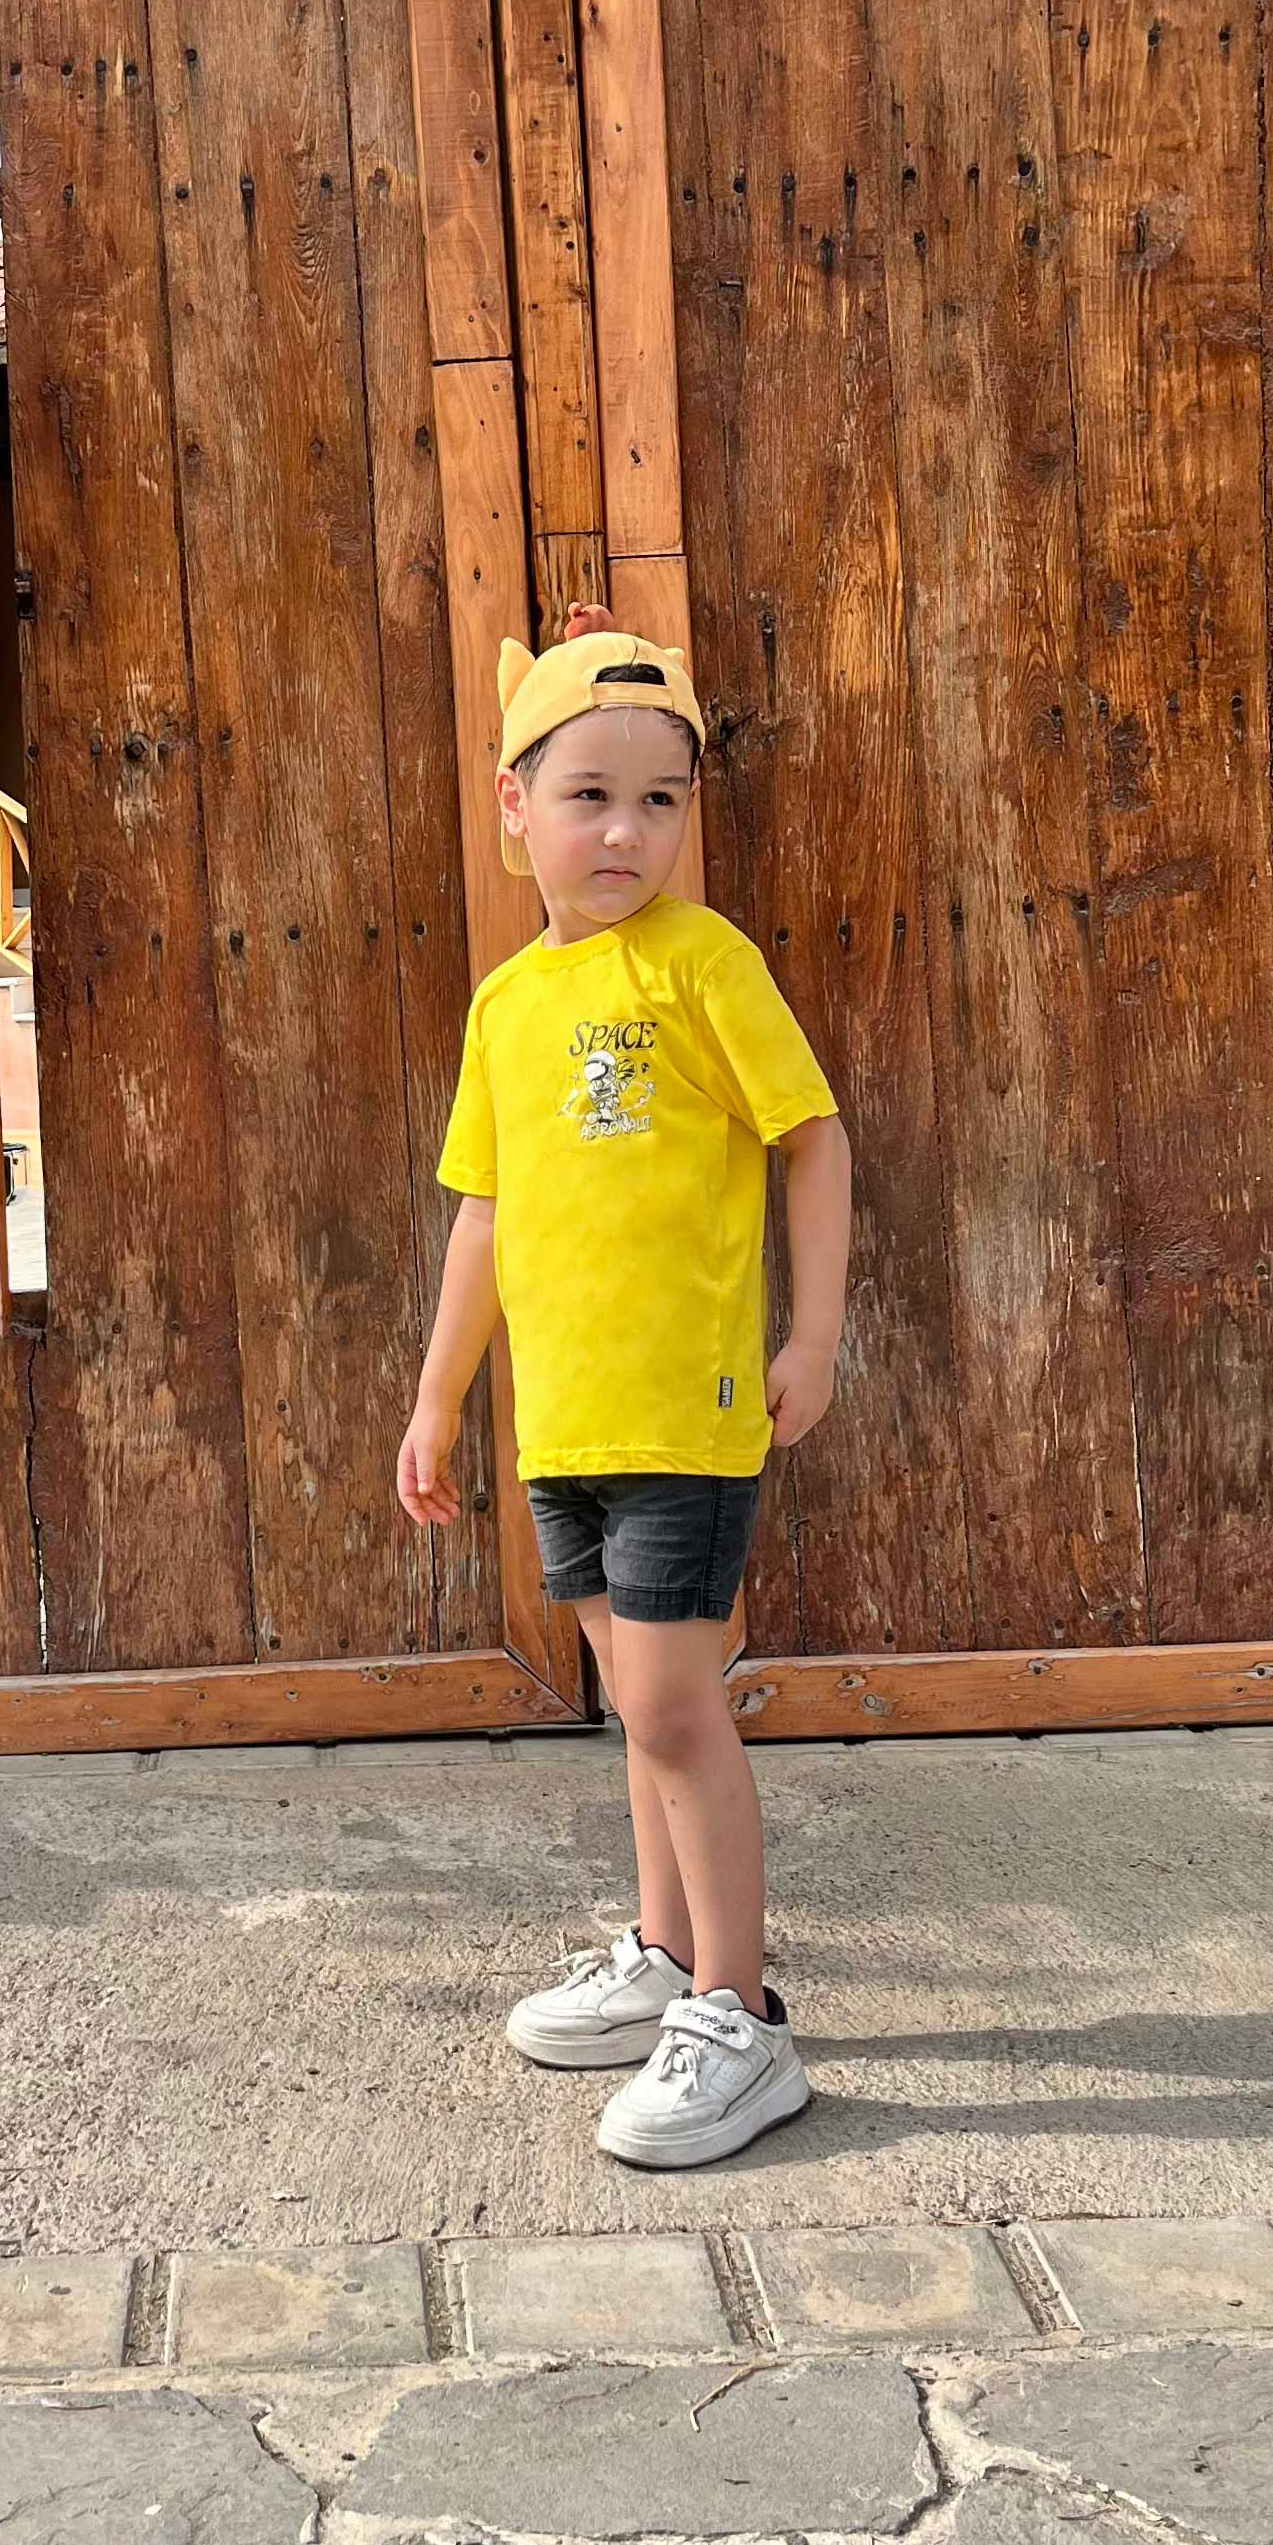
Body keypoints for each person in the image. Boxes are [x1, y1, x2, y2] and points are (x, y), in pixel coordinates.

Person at [396, 606, 853, 2170]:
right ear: (514, 804)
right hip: (567, 1419)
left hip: (686, 1409)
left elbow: (812, 1138)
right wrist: (439, 1397)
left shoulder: (703, 963)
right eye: (589, 794)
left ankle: (743, 2012)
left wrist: (814, 1336)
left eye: (660, 799)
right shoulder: (507, 1004)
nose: (625, 831)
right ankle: (666, 1957)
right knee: (636, 1709)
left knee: (670, 1703)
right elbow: (486, 1213)